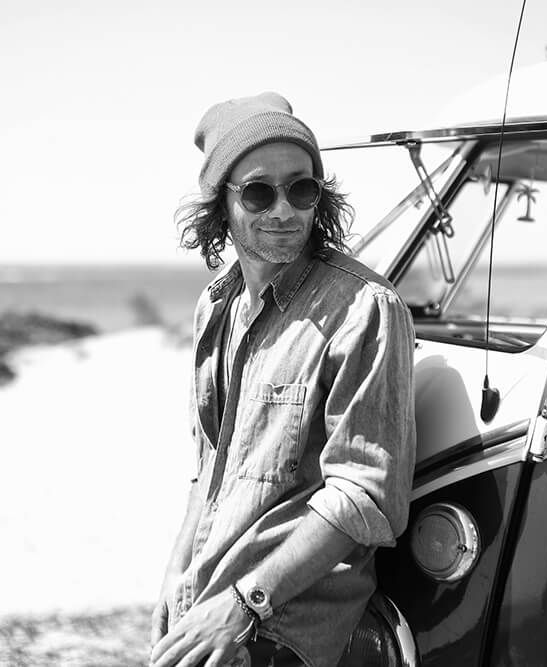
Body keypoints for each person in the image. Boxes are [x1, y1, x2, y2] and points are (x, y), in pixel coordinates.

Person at [150, 92, 416, 667]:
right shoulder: (215, 307)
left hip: (280, 630)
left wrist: (244, 606)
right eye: (258, 192)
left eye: (301, 189)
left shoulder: (364, 309)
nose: (283, 210)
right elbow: (211, 466)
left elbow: (363, 496)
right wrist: (176, 575)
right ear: (221, 203)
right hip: (208, 608)